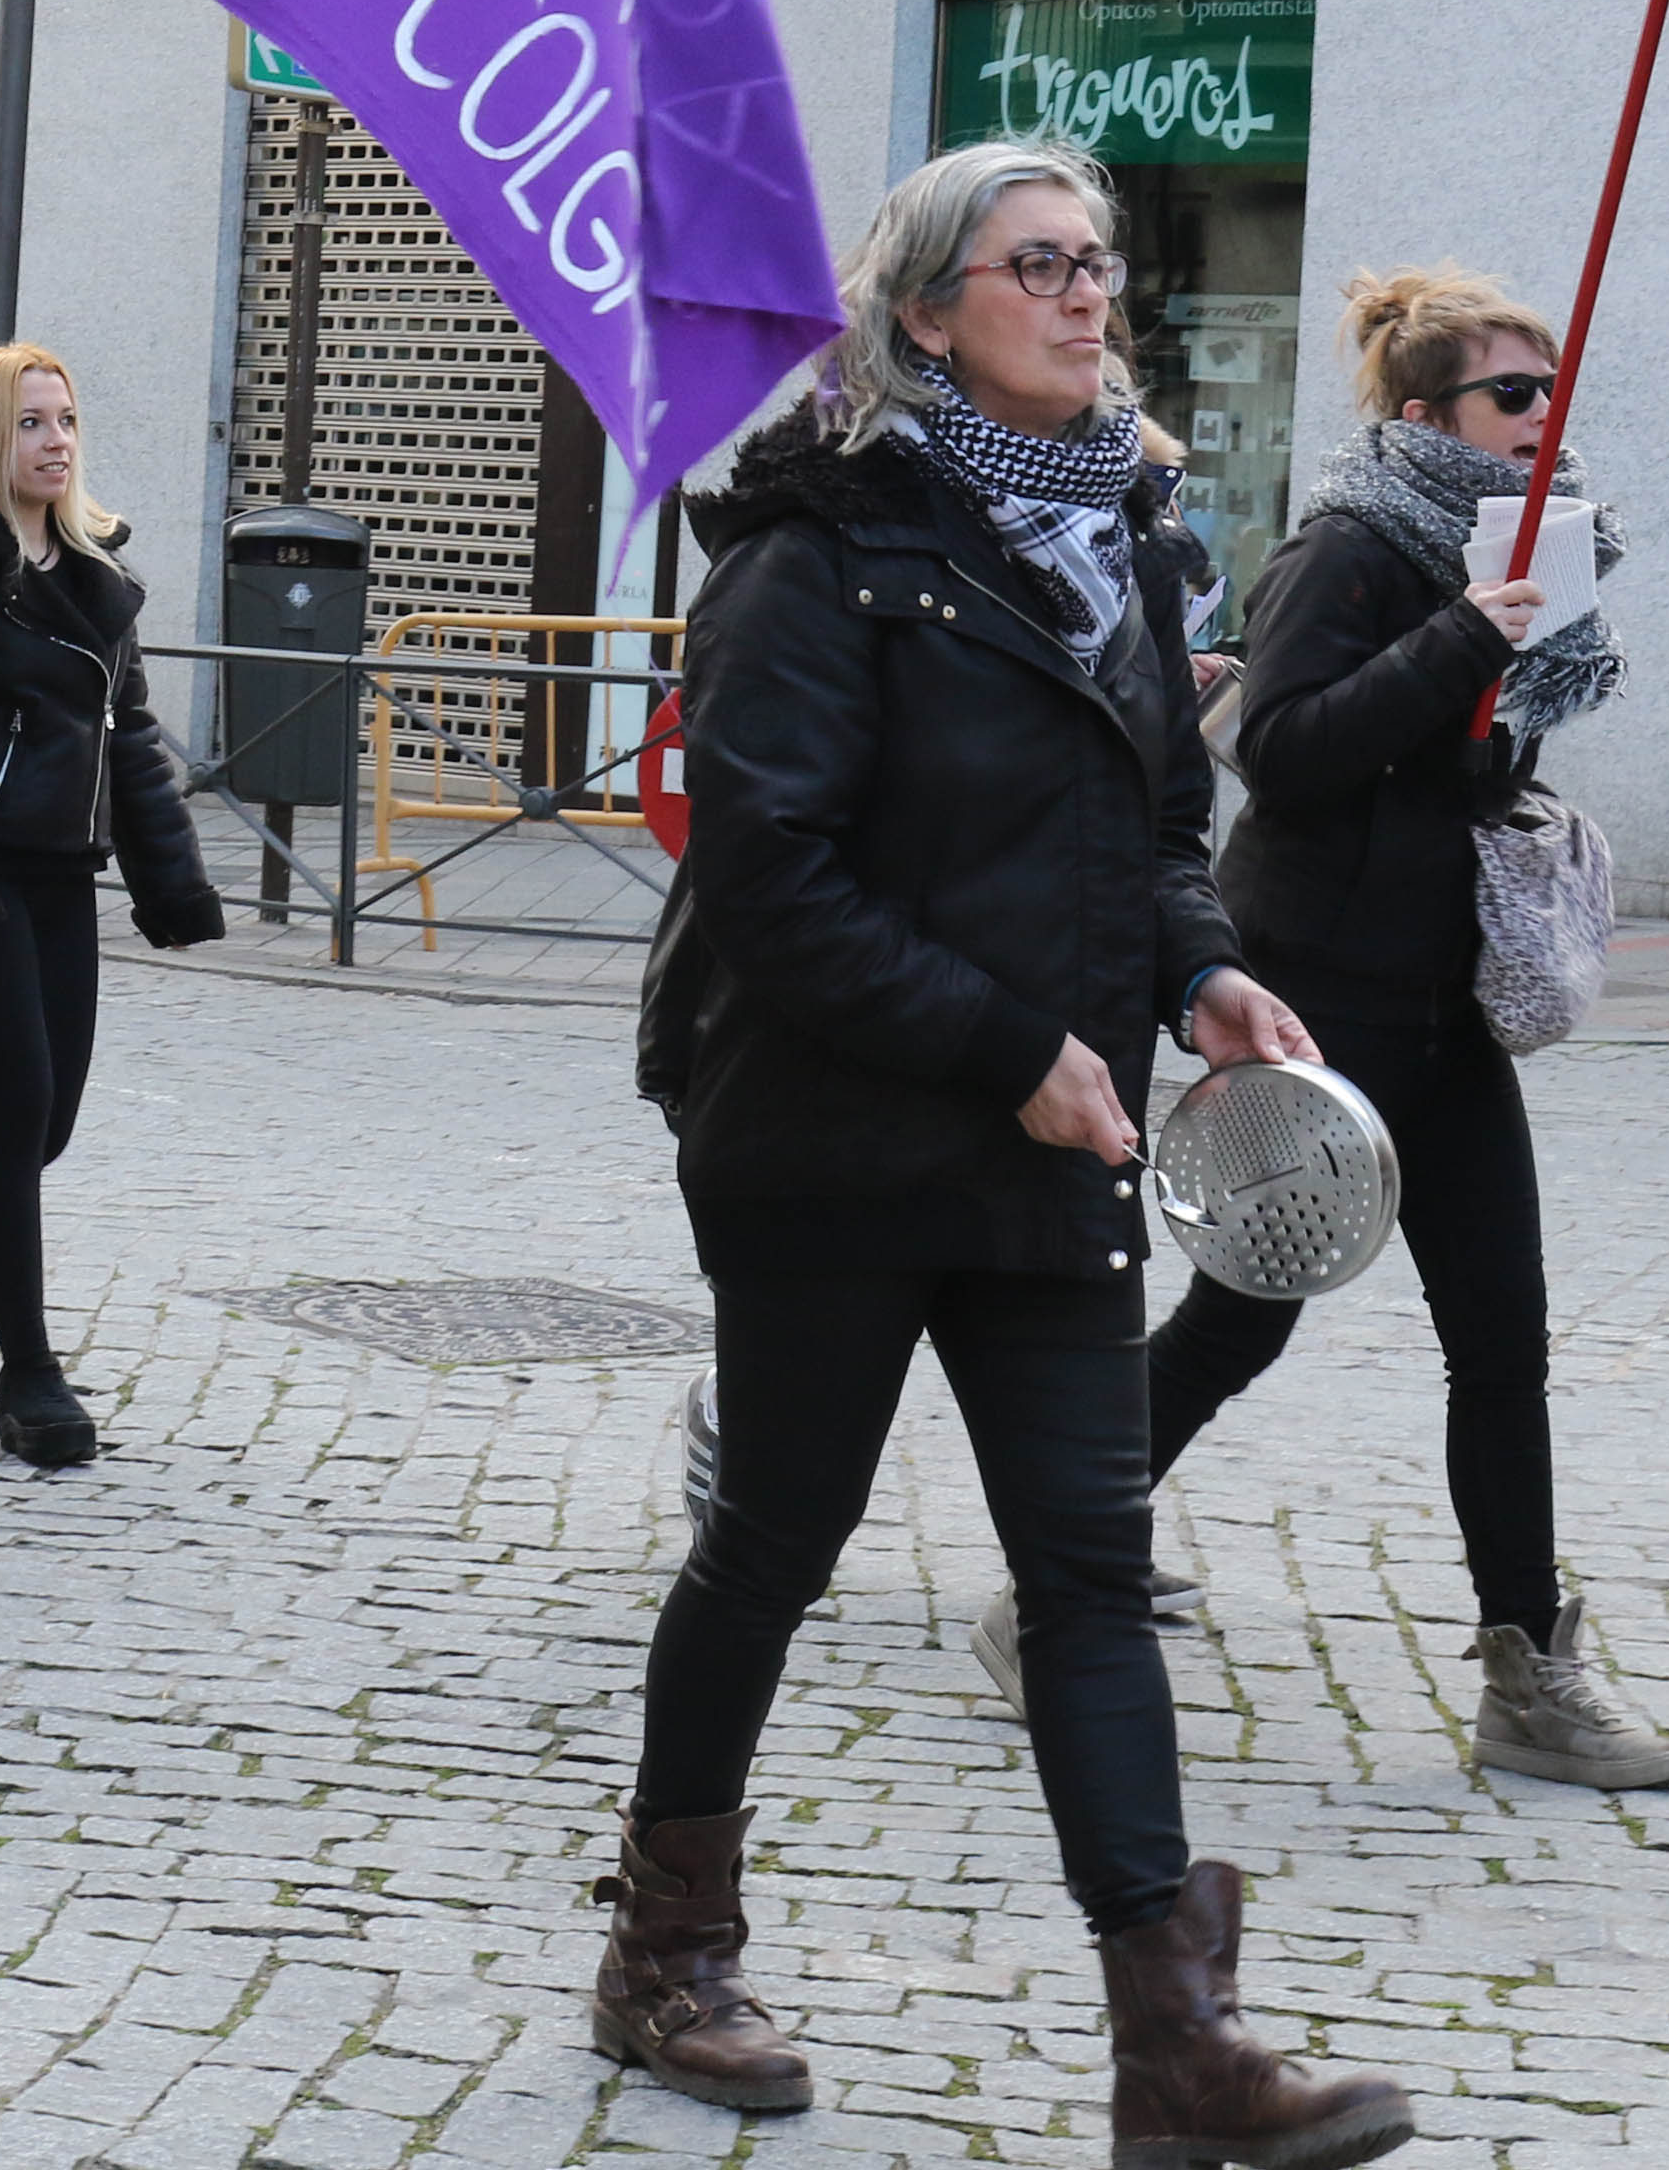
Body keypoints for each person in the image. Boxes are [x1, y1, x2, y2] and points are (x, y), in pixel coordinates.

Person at [599, 140, 1413, 2162]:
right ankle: (663, 1944)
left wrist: (1204, 976)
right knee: (775, 1537)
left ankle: (1174, 2039)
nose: (1085, 295)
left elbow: (1142, 835)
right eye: (1036, 263)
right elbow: (768, 874)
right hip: (826, 1134)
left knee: (1089, 1569)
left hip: (1051, 1132)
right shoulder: (816, 542)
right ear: (926, 305)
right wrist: (1008, 1044)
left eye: (1097, 264)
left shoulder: (1123, 534)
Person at [1121, 263, 1669, 1789]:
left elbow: (1471, 763)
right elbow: (1288, 754)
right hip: (1321, 991)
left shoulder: (1535, 551)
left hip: (1448, 1001)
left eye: (1555, 392)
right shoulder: (1355, 548)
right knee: (1244, 1316)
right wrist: (1463, 637)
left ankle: (1528, 1672)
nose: (1542, 421)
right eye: (1518, 396)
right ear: (1429, 410)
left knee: (1501, 1340)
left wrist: (1510, 663)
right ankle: (1062, 1574)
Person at [0, 344, 223, 1468]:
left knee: (42, 1126)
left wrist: (171, 884)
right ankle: (27, 1373)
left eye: (65, 419)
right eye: (30, 422)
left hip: (57, 878)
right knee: (18, 1108)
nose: (56, 440)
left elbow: (127, 738)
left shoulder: (92, 572)